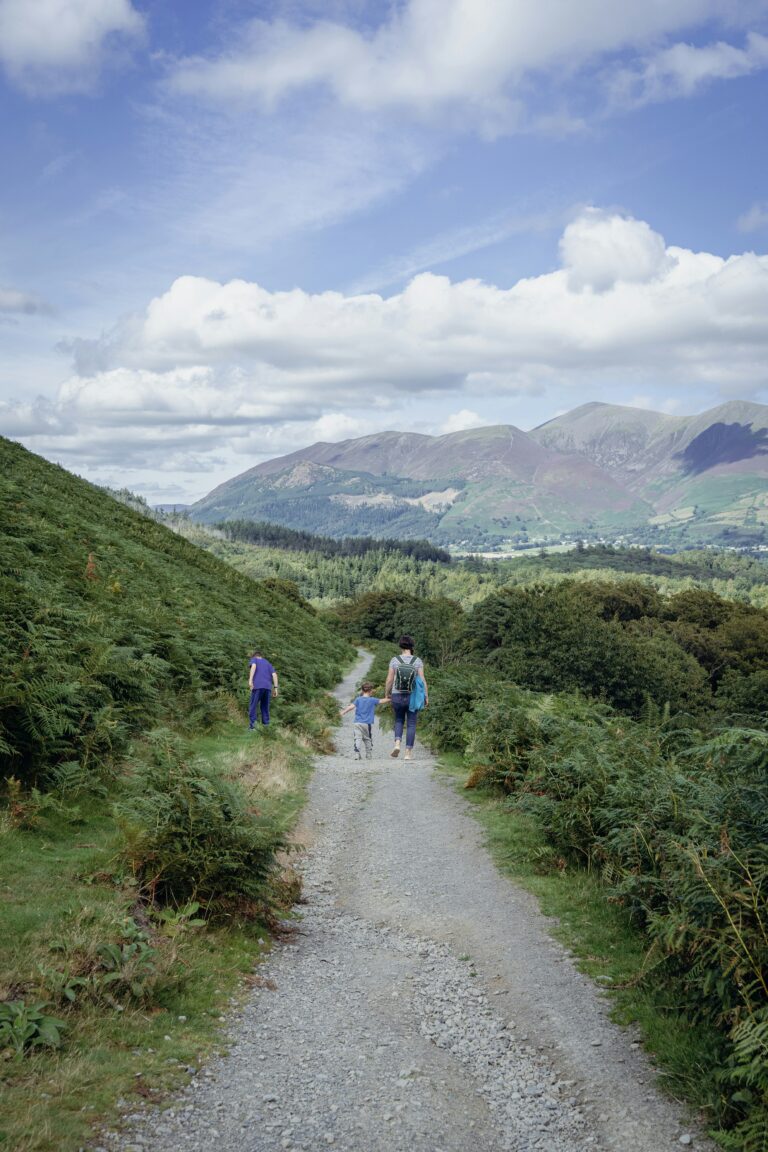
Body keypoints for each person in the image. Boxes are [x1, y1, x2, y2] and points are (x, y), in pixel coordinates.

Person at [384, 635, 428, 761]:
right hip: (412, 696)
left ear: (400, 646)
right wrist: (425, 696)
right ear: (411, 646)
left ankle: (397, 743)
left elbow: (389, 679)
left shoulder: (395, 660)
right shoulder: (417, 661)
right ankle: (408, 753)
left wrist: (387, 693)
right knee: (411, 724)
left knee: (398, 720)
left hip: (397, 694)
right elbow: (422, 680)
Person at [340, 681, 390, 760]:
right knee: (367, 739)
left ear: (362, 691)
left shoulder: (358, 699)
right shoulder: (372, 700)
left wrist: (343, 712)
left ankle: (357, 754)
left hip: (357, 723)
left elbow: (351, 707)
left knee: (357, 738)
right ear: (371, 691)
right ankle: (368, 754)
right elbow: (381, 701)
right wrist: (390, 699)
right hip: (367, 724)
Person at [248, 647, 279, 728]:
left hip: (257, 686)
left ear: (254, 656)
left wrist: (250, 680)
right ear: (261, 656)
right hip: (268, 688)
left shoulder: (254, 660)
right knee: (265, 707)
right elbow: (274, 675)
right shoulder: (268, 663)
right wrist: (275, 688)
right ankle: (266, 727)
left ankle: (252, 727)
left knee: (253, 706)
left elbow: (253, 666)